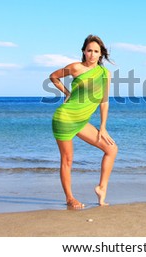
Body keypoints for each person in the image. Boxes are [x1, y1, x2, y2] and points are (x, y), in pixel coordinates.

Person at [50, 34, 118, 208]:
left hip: (81, 122)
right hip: (65, 118)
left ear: (101, 53)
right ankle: (70, 199)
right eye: (89, 51)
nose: (92, 54)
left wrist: (103, 127)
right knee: (67, 160)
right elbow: (53, 76)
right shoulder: (75, 68)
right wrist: (67, 93)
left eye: (96, 51)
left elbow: (104, 101)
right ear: (84, 52)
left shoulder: (105, 74)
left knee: (111, 149)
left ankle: (102, 188)